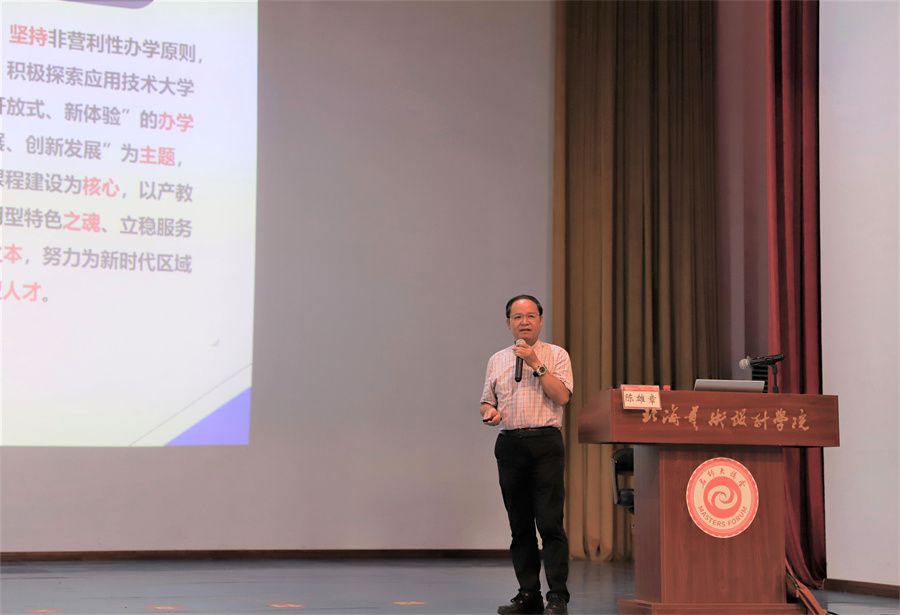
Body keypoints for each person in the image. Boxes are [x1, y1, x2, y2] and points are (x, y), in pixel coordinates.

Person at [480, 294, 573, 615]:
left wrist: (535, 362)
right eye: (517, 317)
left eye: (531, 316)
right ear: (508, 323)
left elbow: (562, 397)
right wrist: (490, 412)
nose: (524, 322)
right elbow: (487, 400)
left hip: (545, 443)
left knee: (549, 523)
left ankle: (557, 596)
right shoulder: (497, 360)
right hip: (510, 445)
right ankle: (528, 594)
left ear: (541, 320)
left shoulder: (556, 355)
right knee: (519, 525)